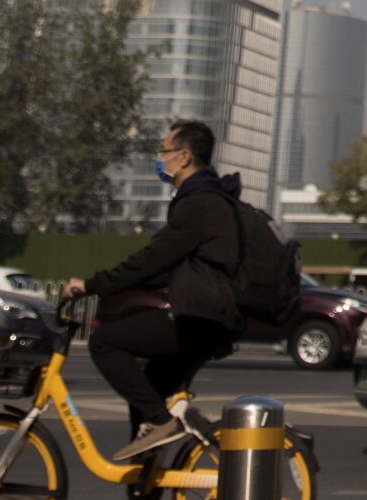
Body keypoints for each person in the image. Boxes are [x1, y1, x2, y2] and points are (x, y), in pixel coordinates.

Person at [58, 119, 243, 472]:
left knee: (105, 343)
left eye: (164, 151)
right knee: (145, 394)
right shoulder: (205, 199)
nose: (159, 158)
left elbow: (150, 260)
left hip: (203, 319)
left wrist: (91, 285)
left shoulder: (199, 203)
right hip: (209, 318)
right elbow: (161, 267)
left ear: (185, 157)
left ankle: (162, 422)